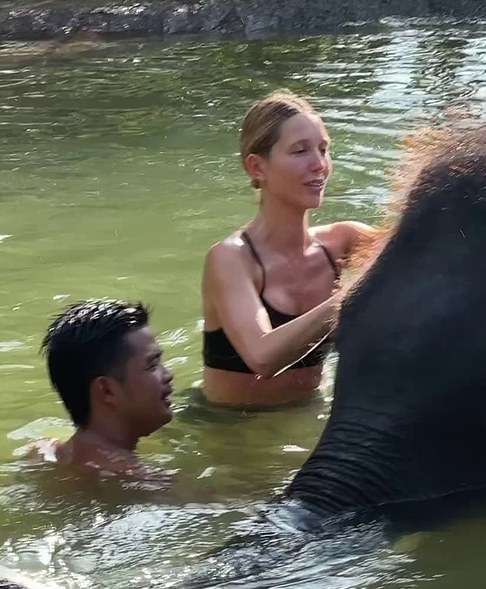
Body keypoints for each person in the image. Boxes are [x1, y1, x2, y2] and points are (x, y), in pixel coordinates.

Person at [202, 90, 376, 408]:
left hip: (310, 416)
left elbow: (426, 251)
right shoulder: (231, 258)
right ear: (257, 168)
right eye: (300, 151)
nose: (319, 164)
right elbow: (262, 358)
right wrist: (350, 296)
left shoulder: (345, 241)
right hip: (226, 433)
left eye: (324, 149)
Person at [32, 299, 174, 477]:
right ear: (107, 390)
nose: (168, 374)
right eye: (152, 365)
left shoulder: (41, 454)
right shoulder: (153, 485)